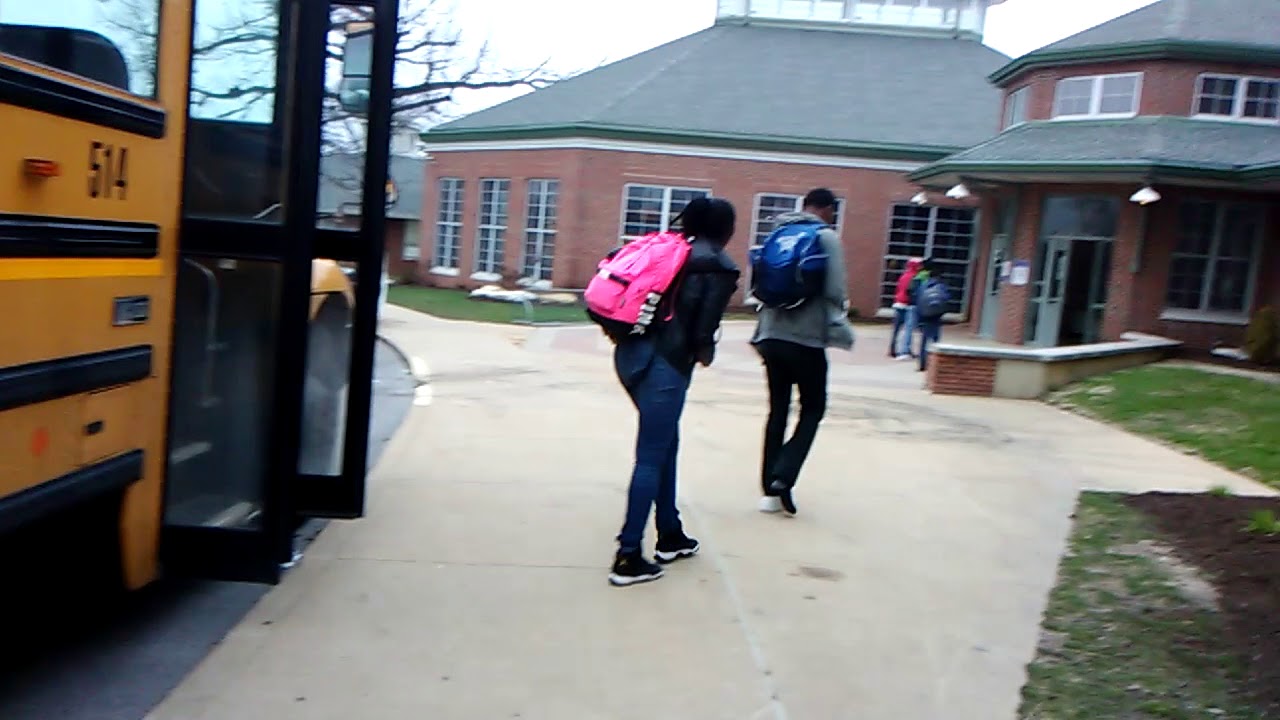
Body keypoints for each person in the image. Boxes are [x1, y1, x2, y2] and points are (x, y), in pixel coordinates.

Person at [608, 197, 741, 587]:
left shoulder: (667, 250)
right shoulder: (717, 263)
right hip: (665, 368)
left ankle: (671, 534)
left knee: (667, 443)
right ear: (724, 228)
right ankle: (628, 555)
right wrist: (706, 351)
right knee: (650, 456)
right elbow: (702, 334)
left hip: (629, 357)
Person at [749, 188, 854, 517]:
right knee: (813, 408)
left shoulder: (779, 232)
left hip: (769, 334)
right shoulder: (826, 238)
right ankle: (784, 475)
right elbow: (835, 292)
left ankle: (769, 491)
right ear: (827, 210)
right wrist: (838, 328)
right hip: (805, 340)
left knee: (777, 410)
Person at [910, 257, 946, 372]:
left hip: (924, 316)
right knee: (935, 340)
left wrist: (919, 317)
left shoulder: (923, 285)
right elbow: (946, 298)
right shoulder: (941, 285)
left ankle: (922, 364)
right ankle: (935, 366)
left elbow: (917, 299)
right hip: (936, 317)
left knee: (924, 341)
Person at [889, 257, 924, 360]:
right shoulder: (916, 277)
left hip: (898, 303)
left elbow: (898, 289)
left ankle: (893, 349)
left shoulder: (904, 276)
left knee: (896, 329)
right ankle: (904, 351)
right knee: (908, 329)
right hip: (908, 305)